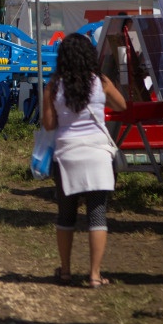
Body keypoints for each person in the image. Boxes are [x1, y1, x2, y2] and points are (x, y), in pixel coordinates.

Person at [41, 33, 127, 288]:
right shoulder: (101, 82)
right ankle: (95, 275)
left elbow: (49, 124)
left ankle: (66, 271)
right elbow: (121, 105)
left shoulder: (53, 86)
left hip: (67, 155)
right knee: (97, 216)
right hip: (98, 154)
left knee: (66, 216)